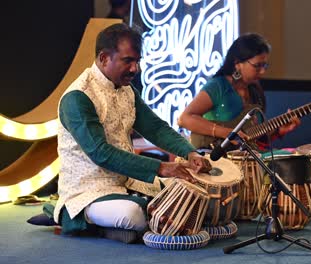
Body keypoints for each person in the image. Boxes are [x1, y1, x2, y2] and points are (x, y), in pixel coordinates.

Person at [53, 23, 211, 243]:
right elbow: (101, 153)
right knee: (134, 214)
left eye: (138, 61)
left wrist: (191, 153)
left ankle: (120, 226)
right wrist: (162, 168)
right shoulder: (78, 97)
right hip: (88, 191)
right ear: (104, 58)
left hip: (127, 182)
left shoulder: (127, 90)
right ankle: (76, 218)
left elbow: (155, 128)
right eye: (128, 61)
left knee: (194, 192)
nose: (135, 69)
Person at [178, 33, 300, 152]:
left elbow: (252, 139)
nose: (262, 71)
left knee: (295, 155)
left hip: (245, 161)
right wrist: (227, 133)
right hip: (215, 159)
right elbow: (184, 119)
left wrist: (278, 132)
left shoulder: (255, 91)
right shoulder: (218, 86)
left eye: (265, 65)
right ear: (237, 64)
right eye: (257, 65)